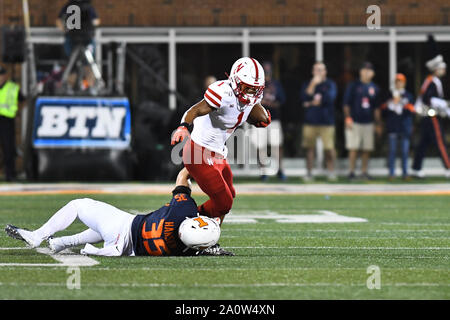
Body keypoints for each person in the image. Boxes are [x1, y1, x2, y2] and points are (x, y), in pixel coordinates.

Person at [4, 168, 234, 256]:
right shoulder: (186, 251)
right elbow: (200, 245)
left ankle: (38, 236)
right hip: (130, 248)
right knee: (99, 230)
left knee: (78, 204)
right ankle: (59, 243)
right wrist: (210, 246)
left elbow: (183, 177)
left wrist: (200, 164)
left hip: (124, 227)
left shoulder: (182, 211)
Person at [171, 57, 271, 221]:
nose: (252, 93)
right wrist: (183, 126)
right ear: (235, 81)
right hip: (200, 152)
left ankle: (207, 238)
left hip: (218, 152)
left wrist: (260, 119)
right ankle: (186, 222)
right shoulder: (223, 93)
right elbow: (194, 110)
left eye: (256, 89)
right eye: (248, 88)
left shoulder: (251, 97)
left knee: (229, 195)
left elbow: (252, 112)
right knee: (224, 203)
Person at [412, 35, 450, 178]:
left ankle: (416, 168)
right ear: (436, 69)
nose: (444, 70)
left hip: (428, 116)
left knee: (423, 143)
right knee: (440, 141)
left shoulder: (433, 81)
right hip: (431, 115)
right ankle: (448, 167)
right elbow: (429, 99)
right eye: (442, 68)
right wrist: (444, 104)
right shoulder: (431, 81)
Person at [343, 62, 382, 180]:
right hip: (354, 121)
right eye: (364, 70)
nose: (366, 72)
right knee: (353, 147)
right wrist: (348, 118)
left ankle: (364, 172)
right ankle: (351, 172)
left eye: (369, 70)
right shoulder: (353, 86)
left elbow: (376, 108)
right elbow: (346, 104)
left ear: (373, 73)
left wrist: (378, 123)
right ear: (360, 71)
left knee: (367, 148)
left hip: (368, 122)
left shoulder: (374, 88)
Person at [300, 61, 337, 181]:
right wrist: (313, 84)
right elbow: (304, 98)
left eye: (321, 70)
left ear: (325, 71)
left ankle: (331, 171)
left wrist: (311, 102)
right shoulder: (308, 83)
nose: (318, 72)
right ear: (312, 71)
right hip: (310, 121)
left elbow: (329, 98)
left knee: (329, 149)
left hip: (326, 122)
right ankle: (309, 173)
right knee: (309, 149)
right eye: (316, 69)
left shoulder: (330, 84)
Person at [251, 61, 287, 181]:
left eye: (268, 69)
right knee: (260, 146)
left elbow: (282, 100)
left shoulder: (276, 84)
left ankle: (279, 169)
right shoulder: (255, 84)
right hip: (258, 119)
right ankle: (264, 171)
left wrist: (272, 104)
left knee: (276, 146)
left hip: (273, 118)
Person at [380, 73, 415, 180]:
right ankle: (391, 173)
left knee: (405, 152)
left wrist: (401, 104)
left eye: (401, 81)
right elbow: (383, 110)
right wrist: (391, 104)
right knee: (392, 151)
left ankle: (405, 173)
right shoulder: (389, 95)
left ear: (404, 83)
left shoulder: (408, 95)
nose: (399, 83)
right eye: (397, 81)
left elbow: (411, 110)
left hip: (404, 127)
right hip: (393, 127)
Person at [0, 65, 25, 182]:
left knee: (8, 148)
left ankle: (10, 174)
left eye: (1, 74)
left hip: (7, 121)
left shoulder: (13, 87)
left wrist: (17, 112)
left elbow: (23, 100)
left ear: (5, 75)